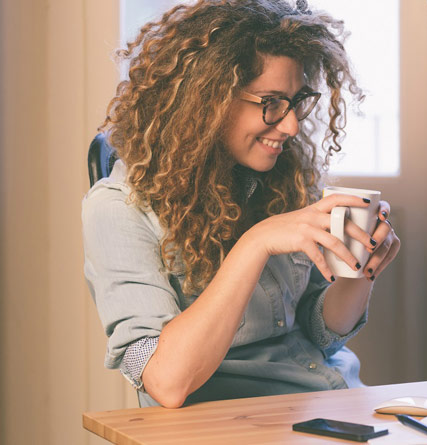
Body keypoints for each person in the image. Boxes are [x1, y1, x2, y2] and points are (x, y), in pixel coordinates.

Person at [82, 0, 400, 409]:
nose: (291, 125)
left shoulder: (282, 179)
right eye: (270, 103)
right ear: (207, 101)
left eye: (295, 100)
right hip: (238, 422)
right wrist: (256, 242)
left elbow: (318, 331)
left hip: (335, 401)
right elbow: (164, 381)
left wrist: (359, 273)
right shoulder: (118, 209)